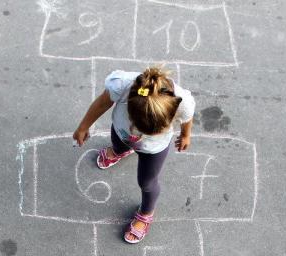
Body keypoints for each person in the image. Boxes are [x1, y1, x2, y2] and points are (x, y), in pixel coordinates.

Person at [72, 67, 195, 243]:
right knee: (118, 144)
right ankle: (119, 151)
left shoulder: (181, 102)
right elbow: (102, 103)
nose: (139, 133)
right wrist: (83, 126)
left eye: (150, 131)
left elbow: (187, 117)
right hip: (122, 133)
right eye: (137, 127)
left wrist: (185, 135)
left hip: (154, 149)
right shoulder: (122, 85)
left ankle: (146, 211)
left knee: (147, 182)